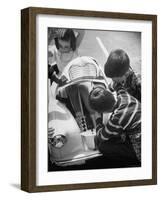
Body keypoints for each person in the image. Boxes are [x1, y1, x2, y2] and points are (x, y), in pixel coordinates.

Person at [89, 85, 141, 163]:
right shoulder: (123, 94)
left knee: (103, 146)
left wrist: (98, 120)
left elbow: (101, 136)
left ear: (102, 112)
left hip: (142, 149)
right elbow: (116, 85)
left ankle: (134, 164)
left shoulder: (117, 118)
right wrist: (104, 89)